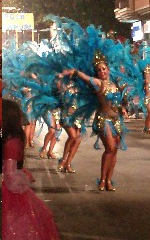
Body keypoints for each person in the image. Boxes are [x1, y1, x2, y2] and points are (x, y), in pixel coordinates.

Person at [61, 51, 127, 191]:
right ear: (97, 73)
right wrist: (75, 72)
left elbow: (117, 102)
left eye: (104, 69)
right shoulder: (98, 83)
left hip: (117, 120)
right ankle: (102, 180)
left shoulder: (114, 84)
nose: (102, 71)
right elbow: (85, 78)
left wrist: (123, 109)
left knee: (114, 150)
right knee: (109, 147)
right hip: (104, 120)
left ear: (108, 69)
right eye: (99, 70)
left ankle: (109, 181)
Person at [2, 99, 60, 239]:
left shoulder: (11, 142)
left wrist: (21, 176)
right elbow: (12, 175)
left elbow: (10, 174)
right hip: (14, 192)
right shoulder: (13, 141)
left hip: (11, 192)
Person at [58, 80, 83, 173]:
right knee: (73, 136)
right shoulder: (65, 85)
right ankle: (63, 160)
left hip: (80, 116)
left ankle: (68, 164)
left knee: (78, 140)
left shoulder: (83, 87)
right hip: (67, 116)